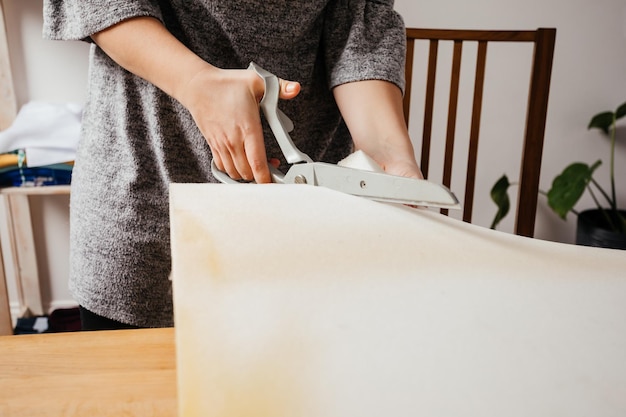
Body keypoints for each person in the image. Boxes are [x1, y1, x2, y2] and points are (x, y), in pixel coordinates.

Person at [43, 0, 423, 330]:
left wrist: (386, 154)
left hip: (305, 221)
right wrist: (196, 82)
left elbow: (360, 20)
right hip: (143, 190)